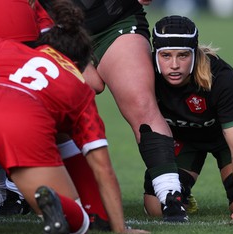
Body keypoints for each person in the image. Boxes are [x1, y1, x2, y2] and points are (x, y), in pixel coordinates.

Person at [0, 0, 149, 234]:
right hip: (22, 123)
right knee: (78, 223)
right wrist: (120, 227)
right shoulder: (78, 88)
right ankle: (63, 208)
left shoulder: (6, 47)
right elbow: (103, 168)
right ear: (79, 64)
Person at [38, 0, 188, 222]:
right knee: (47, 108)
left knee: (140, 101)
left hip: (113, 20)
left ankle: (170, 195)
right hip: (53, 28)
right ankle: (8, 187)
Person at [143, 15, 233, 220]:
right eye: (166, 55)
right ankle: (183, 194)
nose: (174, 64)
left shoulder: (221, 79)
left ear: (194, 54)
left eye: (183, 55)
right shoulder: (145, 74)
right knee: (156, 207)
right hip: (184, 138)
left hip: (228, 136)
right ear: (155, 54)